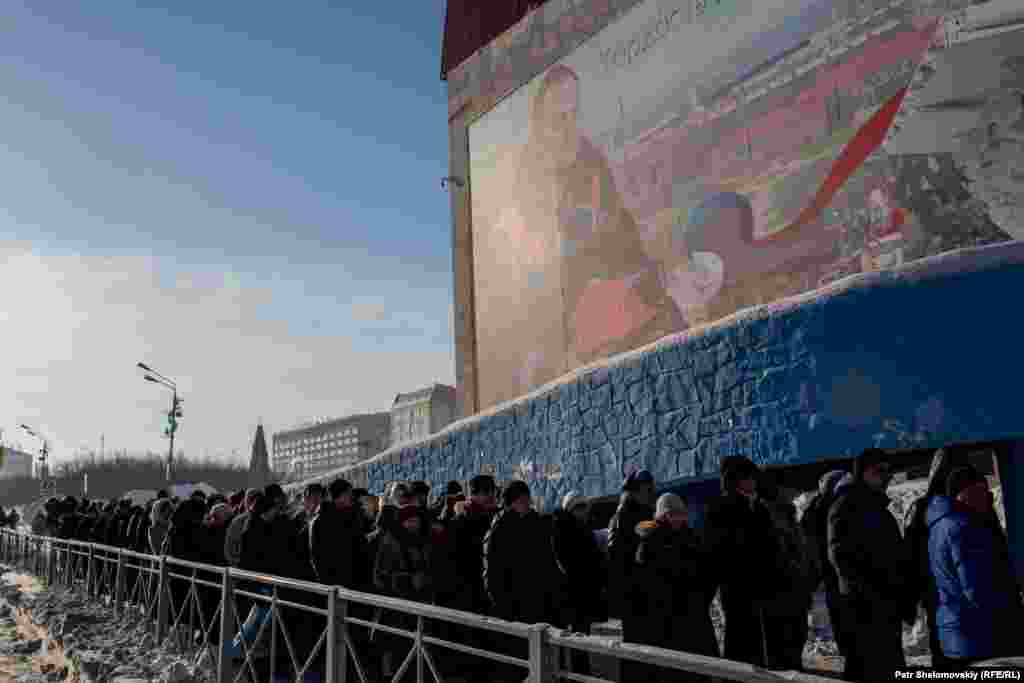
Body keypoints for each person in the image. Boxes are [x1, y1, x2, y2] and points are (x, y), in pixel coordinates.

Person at [927, 465, 1024, 667]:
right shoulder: (964, 526)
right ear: (962, 493)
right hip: (980, 634)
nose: (987, 498)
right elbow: (978, 588)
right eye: (980, 491)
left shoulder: (940, 524)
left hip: (957, 629)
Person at [828, 448, 911, 681]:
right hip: (863, 611)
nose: (886, 476)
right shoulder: (846, 507)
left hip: (884, 607)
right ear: (862, 473)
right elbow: (841, 559)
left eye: (888, 471)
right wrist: (873, 596)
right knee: (868, 668)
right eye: (879, 471)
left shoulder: (877, 508)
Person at [703, 455, 780, 668]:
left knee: (757, 640)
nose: (754, 481)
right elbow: (718, 551)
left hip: (759, 585)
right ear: (736, 479)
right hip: (738, 586)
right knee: (741, 641)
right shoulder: (722, 508)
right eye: (749, 477)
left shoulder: (756, 506)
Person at [633, 494, 718, 683]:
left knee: (700, 669)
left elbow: (707, 571)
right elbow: (646, 584)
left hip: (695, 616)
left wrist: (701, 597)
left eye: (682, 513)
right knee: (674, 671)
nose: (679, 518)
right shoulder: (650, 542)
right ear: (663, 516)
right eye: (674, 514)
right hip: (667, 622)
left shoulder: (691, 536)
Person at [483, 480, 562, 683]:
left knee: (541, 662)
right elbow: (491, 573)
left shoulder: (536, 524)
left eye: (528, 499)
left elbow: (548, 563)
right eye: (522, 500)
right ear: (512, 503)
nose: (527, 503)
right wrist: (503, 607)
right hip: (513, 609)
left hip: (539, 604)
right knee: (517, 664)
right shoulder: (499, 530)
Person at [902, 448, 960, 668]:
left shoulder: (922, 507)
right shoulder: (966, 504)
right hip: (943, 593)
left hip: (937, 594)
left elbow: (910, 557)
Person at [760, 476, 815, 671]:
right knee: (784, 643)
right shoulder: (767, 516)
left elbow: (801, 553)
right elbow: (782, 556)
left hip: (794, 589)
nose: (791, 494)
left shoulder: (789, 516)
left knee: (795, 638)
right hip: (781, 591)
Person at [551, 491, 605, 676]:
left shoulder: (583, 527)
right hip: (572, 591)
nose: (583, 511)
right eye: (578, 507)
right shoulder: (562, 528)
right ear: (570, 508)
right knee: (570, 637)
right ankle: (570, 674)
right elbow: (567, 562)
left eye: (585, 507)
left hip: (581, 591)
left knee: (580, 637)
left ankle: (578, 673)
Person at [607, 467, 657, 664]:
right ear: (634, 492)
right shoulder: (624, 517)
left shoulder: (645, 514)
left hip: (645, 594)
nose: (652, 493)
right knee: (637, 653)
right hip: (635, 596)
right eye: (647, 490)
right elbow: (618, 559)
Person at [798, 470, 848, 657]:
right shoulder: (827, 508)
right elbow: (811, 544)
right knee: (827, 614)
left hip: (821, 571)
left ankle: (827, 647)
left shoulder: (814, 509)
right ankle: (826, 651)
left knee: (827, 615)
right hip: (825, 572)